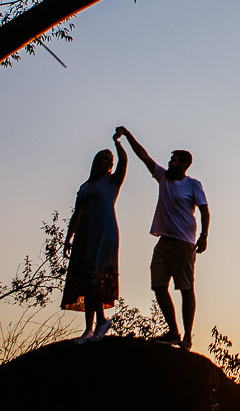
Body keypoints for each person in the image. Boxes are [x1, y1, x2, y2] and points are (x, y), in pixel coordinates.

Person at [114, 125, 209, 349]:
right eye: (170, 159)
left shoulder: (193, 185)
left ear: (184, 165)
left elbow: (204, 209)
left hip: (184, 244)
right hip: (163, 241)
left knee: (186, 288)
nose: (170, 163)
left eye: (174, 160)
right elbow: (143, 156)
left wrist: (204, 235)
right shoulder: (163, 178)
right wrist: (127, 135)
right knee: (158, 286)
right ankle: (173, 332)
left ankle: (187, 337)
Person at [61, 134, 127, 343]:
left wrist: (118, 143)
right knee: (85, 277)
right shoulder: (84, 187)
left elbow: (124, 162)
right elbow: (76, 214)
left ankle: (101, 321)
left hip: (104, 232)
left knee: (94, 276)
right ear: (96, 162)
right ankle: (90, 328)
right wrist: (68, 238)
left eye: (111, 160)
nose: (109, 162)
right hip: (84, 235)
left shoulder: (112, 182)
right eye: (105, 158)